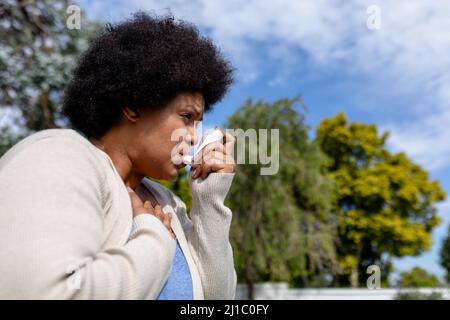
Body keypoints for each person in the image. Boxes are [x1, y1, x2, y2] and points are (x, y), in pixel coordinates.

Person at [0, 12, 236, 300]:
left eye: (198, 123)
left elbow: (215, 299)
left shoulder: (166, 203)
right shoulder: (58, 156)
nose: (193, 136)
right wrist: (154, 238)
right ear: (134, 106)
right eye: (186, 117)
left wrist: (209, 200)